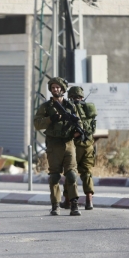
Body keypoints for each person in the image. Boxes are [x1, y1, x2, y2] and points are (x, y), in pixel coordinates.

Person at [34, 77, 82, 216]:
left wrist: (78, 132)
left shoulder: (70, 106)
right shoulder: (46, 107)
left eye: (58, 87)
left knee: (72, 175)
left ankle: (74, 205)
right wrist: (50, 119)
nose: (55, 89)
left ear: (62, 89)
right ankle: (55, 205)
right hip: (54, 144)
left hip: (68, 143)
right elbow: (37, 124)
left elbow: (80, 124)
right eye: (53, 87)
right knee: (54, 176)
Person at [60, 86, 97, 210]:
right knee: (87, 173)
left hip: (75, 146)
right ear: (82, 96)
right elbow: (92, 128)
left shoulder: (70, 108)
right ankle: (89, 201)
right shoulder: (89, 108)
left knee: (71, 173)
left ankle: (68, 201)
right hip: (89, 145)